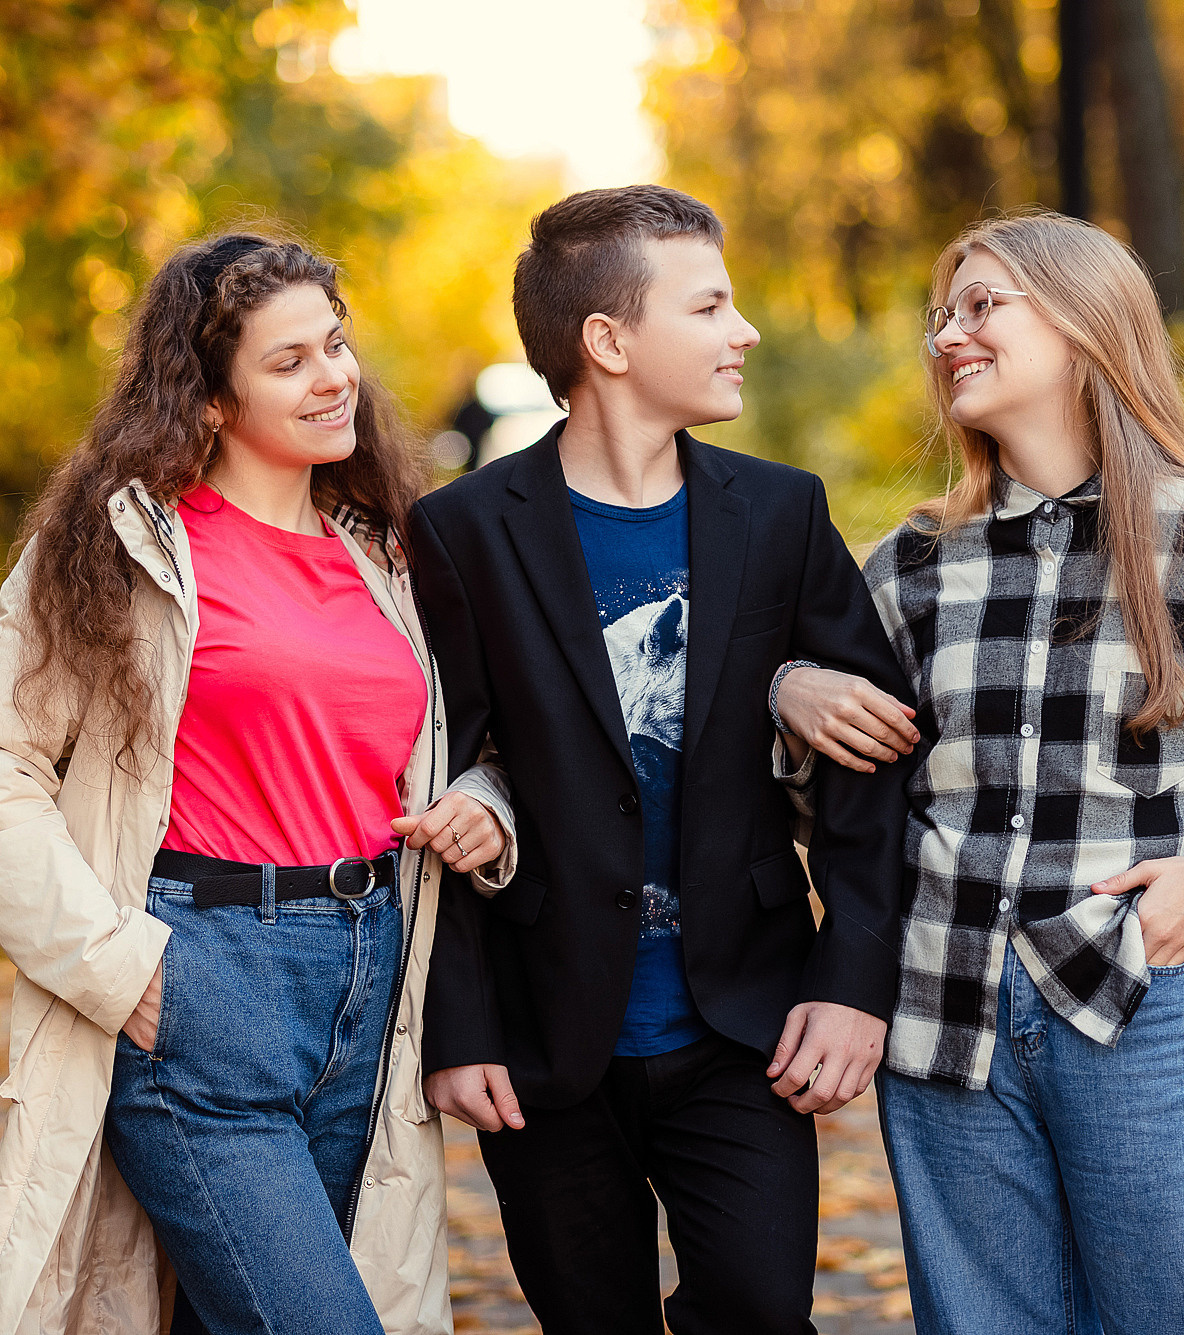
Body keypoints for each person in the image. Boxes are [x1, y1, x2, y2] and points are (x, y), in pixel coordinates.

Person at [774, 210, 1184, 1335]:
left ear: (1081, 323)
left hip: (1127, 998)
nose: (946, 336)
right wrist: (789, 694)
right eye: (941, 314)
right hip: (940, 1016)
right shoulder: (913, 563)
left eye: (980, 306)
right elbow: (824, 793)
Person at [0, 231, 518, 1335]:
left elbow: (472, 740)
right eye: (286, 362)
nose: (332, 376)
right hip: (202, 985)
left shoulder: (388, 549)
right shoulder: (120, 549)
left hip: (367, 979)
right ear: (206, 399)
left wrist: (485, 800)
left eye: (334, 346)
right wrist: (108, 962)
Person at [405, 184, 916, 1335]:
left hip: (743, 1026)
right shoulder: (463, 531)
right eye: (711, 306)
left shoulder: (781, 513)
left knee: (757, 1307)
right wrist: (461, 1024)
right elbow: (433, 787)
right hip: (548, 1039)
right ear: (608, 340)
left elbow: (868, 767)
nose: (742, 332)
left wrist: (850, 984)